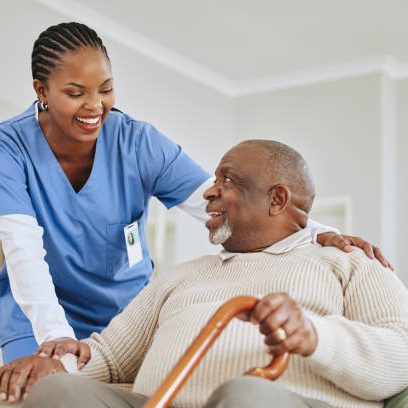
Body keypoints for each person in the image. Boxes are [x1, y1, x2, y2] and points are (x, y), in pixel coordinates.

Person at [0, 22, 389, 366]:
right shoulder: (10, 148)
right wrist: (55, 337)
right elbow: (22, 251)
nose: (95, 106)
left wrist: (315, 231)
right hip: (38, 316)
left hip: (123, 320)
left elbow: (221, 203)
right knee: (40, 389)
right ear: (42, 90)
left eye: (106, 89)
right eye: (75, 92)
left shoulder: (137, 143)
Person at [1, 140, 406, 407]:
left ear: (277, 199)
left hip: (277, 401)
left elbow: (402, 353)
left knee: (248, 395)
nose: (208, 192)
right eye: (214, 179)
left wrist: (316, 336)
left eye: (226, 180)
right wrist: (55, 367)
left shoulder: (348, 261)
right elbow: (107, 357)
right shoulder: (183, 276)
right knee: (57, 391)